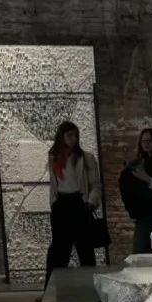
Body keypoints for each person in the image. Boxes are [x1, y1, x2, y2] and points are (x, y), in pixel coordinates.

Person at [44, 121, 100, 289]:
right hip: (61, 204)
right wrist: (53, 203)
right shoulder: (54, 157)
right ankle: (51, 290)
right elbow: (54, 184)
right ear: (61, 136)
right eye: (69, 135)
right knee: (58, 250)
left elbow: (96, 184)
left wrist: (90, 203)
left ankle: (91, 288)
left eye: (75, 135)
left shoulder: (86, 158)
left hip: (79, 202)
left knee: (85, 248)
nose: (73, 139)